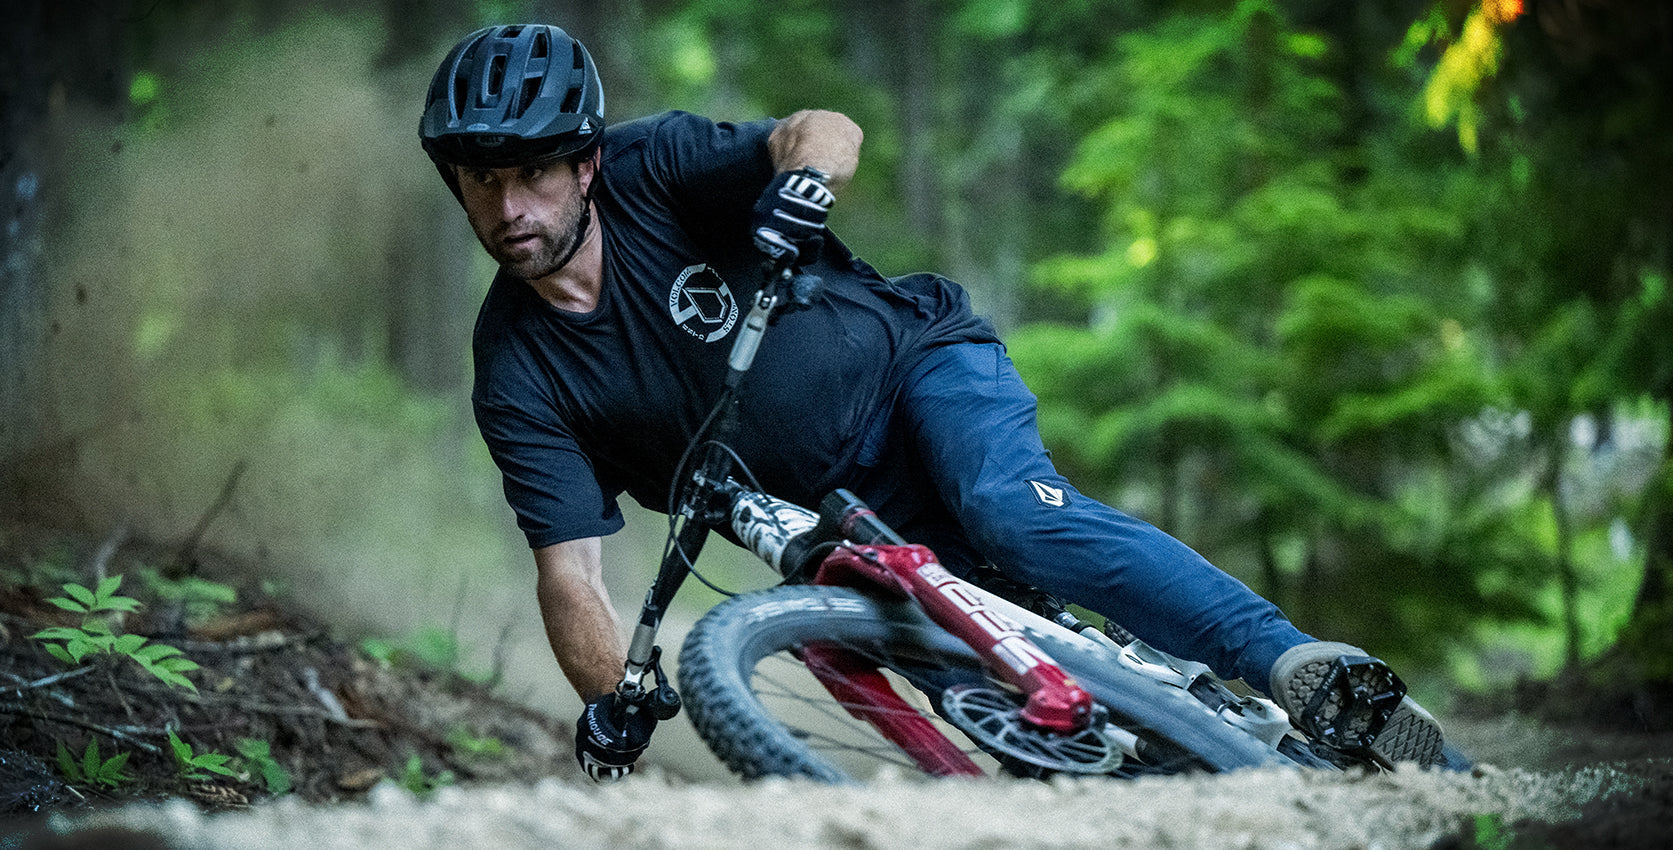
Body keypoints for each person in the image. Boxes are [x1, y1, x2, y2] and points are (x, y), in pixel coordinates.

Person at [417, 24, 1447, 782]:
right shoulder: (515, 370)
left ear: (584, 163)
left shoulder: (651, 168)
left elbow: (820, 128)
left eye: (534, 173)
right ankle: (1189, 769)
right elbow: (571, 574)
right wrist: (611, 695)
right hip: (832, 520)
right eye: (480, 181)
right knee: (994, 704)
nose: (510, 209)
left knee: (1007, 511)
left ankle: (1293, 661)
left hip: (917, 369)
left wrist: (805, 186)